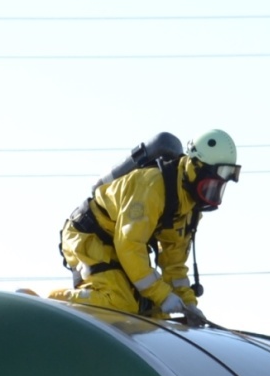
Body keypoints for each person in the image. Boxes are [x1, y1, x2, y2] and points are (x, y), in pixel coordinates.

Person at [49, 129, 239, 324]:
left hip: (123, 246)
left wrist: (189, 304)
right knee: (119, 304)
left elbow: (173, 266)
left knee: (157, 315)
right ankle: (53, 304)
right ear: (193, 167)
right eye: (210, 185)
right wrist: (162, 294)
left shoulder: (188, 210)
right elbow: (129, 245)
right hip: (89, 236)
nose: (212, 194)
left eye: (218, 187)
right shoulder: (152, 186)